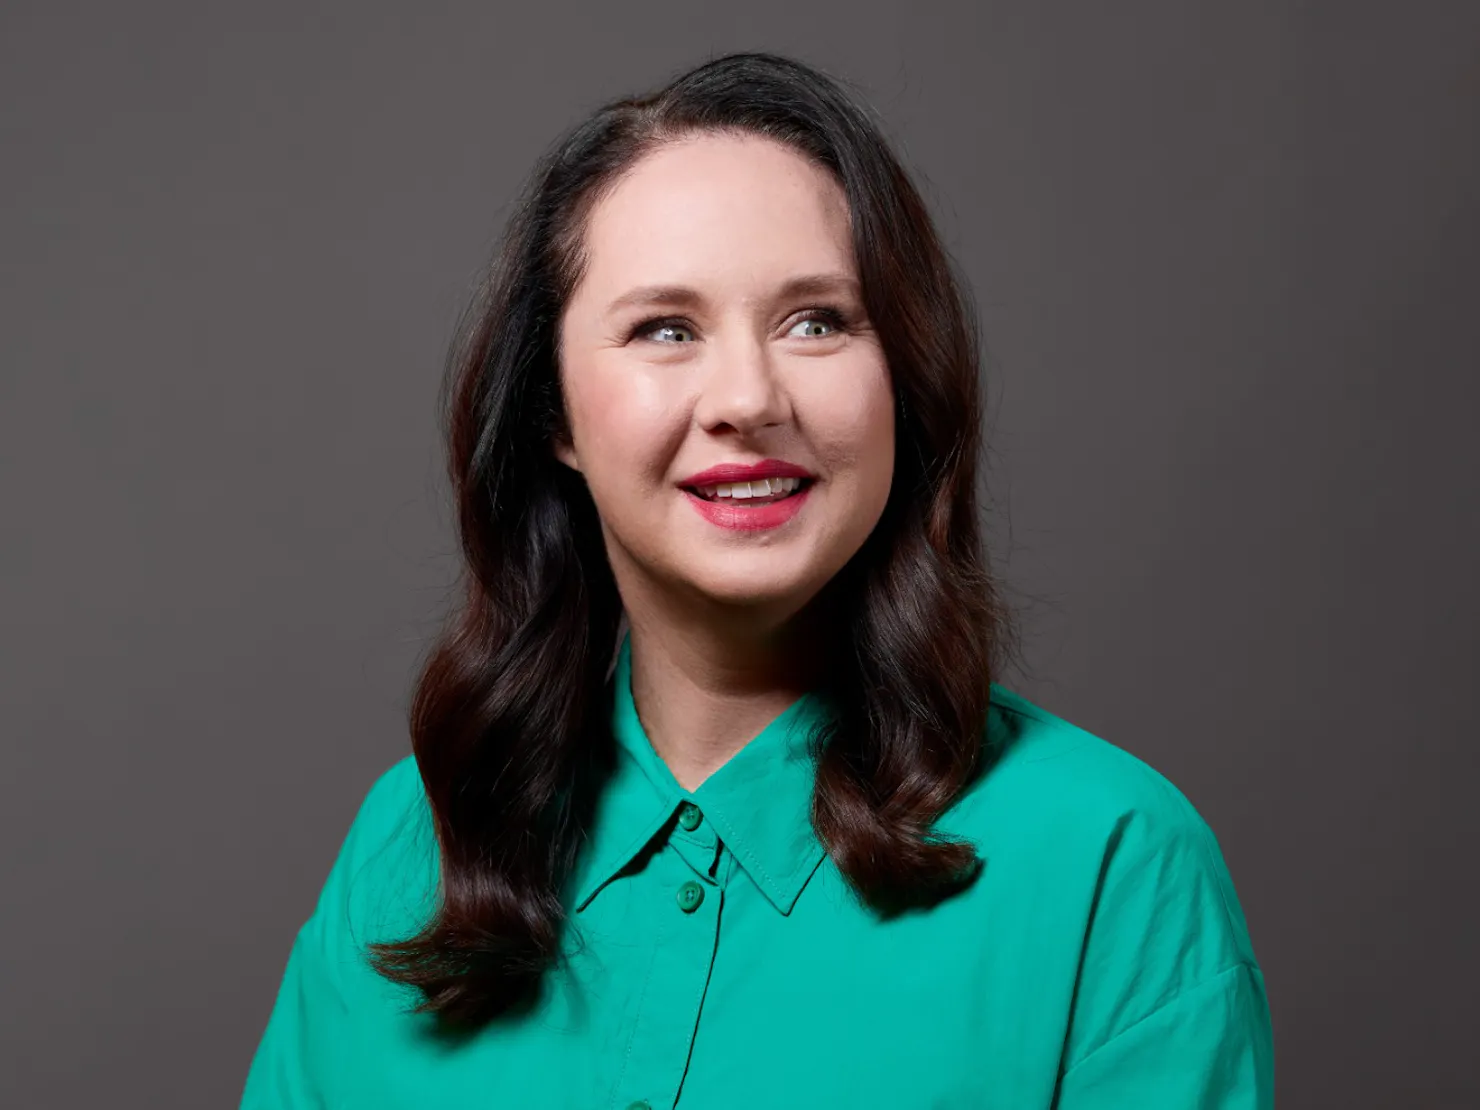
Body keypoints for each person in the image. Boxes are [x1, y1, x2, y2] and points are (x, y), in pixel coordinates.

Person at [240, 51, 1274, 1109]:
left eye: (816, 320)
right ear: (553, 412)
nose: (746, 397)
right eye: (665, 328)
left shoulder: (1112, 866)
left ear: (903, 380)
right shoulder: (412, 841)